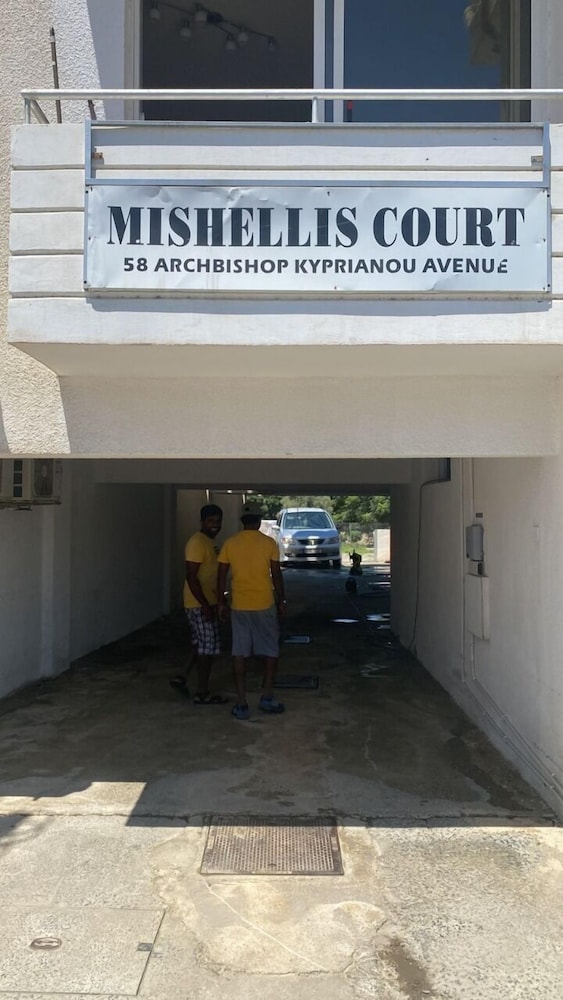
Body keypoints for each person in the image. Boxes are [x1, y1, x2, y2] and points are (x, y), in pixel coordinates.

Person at [217, 501, 286, 720]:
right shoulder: (269, 543)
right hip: (264, 604)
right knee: (270, 651)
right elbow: (276, 574)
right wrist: (282, 600)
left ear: (242, 521)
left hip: (239, 605)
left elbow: (221, 574)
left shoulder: (230, 543)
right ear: (258, 521)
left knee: (239, 652)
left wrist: (221, 602)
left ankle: (242, 703)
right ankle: (267, 696)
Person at [171, 503, 227, 705]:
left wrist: (218, 601)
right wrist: (204, 605)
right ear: (202, 521)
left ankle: (182, 676)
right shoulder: (196, 543)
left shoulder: (209, 542)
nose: (215, 525)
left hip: (207, 602)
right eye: (211, 521)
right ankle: (202, 692)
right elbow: (191, 577)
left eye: (218, 521)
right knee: (207, 648)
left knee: (201, 643)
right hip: (198, 603)